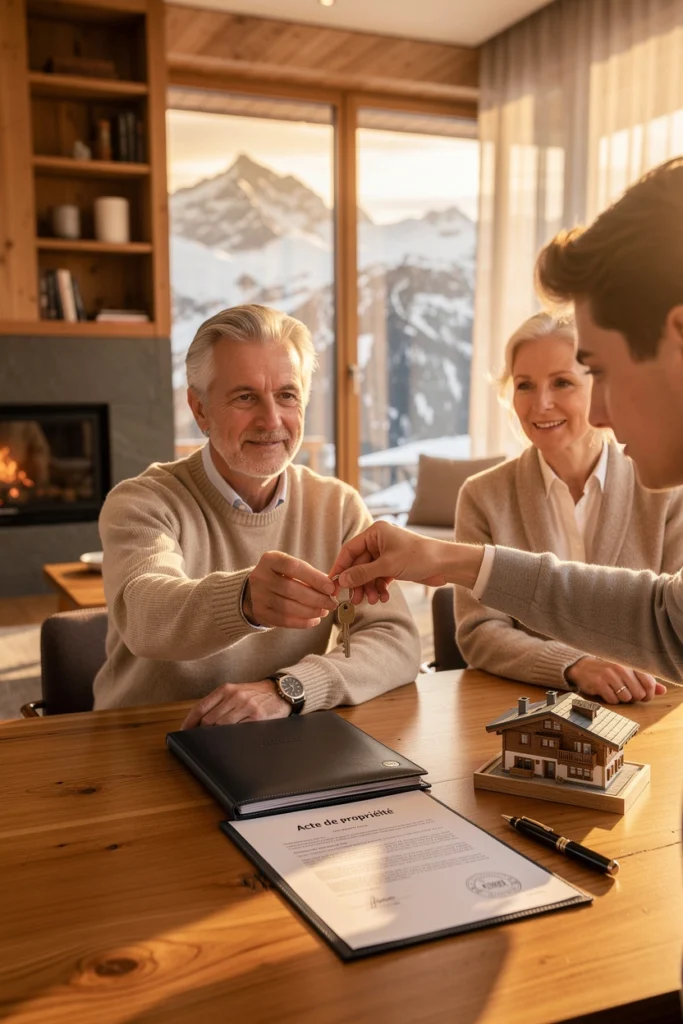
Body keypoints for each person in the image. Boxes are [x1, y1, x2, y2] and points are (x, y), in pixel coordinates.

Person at [330, 157, 683, 700]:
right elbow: (665, 621)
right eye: (524, 384)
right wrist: (444, 558)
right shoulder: (487, 494)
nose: (603, 415)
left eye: (599, 372)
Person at [93, 305, 420, 723]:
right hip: (144, 738)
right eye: (245, 397)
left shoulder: (338, 507)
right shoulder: (142, 502)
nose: (271, 420)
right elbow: (143, 613)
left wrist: (289, 688)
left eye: (287, 395)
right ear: (200, 410)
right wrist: (243, 601)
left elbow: (395, 638)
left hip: (280, 736)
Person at [454, 312, 683, 703]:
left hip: (653, 707)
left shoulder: (666, 488)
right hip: (532, 710)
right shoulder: (482, 495)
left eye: (562, 382)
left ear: (601, 386)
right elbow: (479, 631)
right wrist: (573, 665)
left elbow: (675, 624)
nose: (541, 404)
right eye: (525, 385)